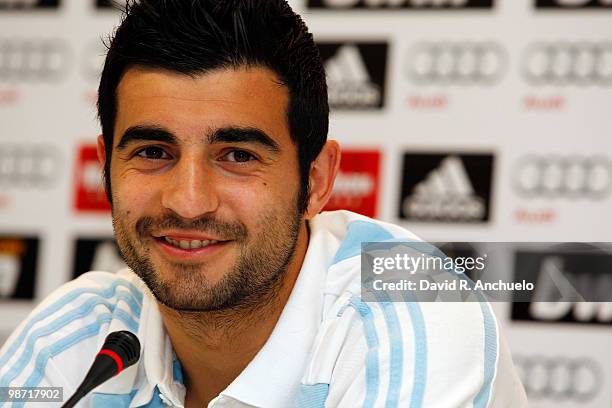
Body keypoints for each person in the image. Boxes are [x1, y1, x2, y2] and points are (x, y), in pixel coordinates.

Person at [0, 1, 527, 407]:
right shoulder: (79, 333)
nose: (187, 202)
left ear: (316, 181)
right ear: (107, 168)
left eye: (236, 155)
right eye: (154, 152)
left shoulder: (412, 319)